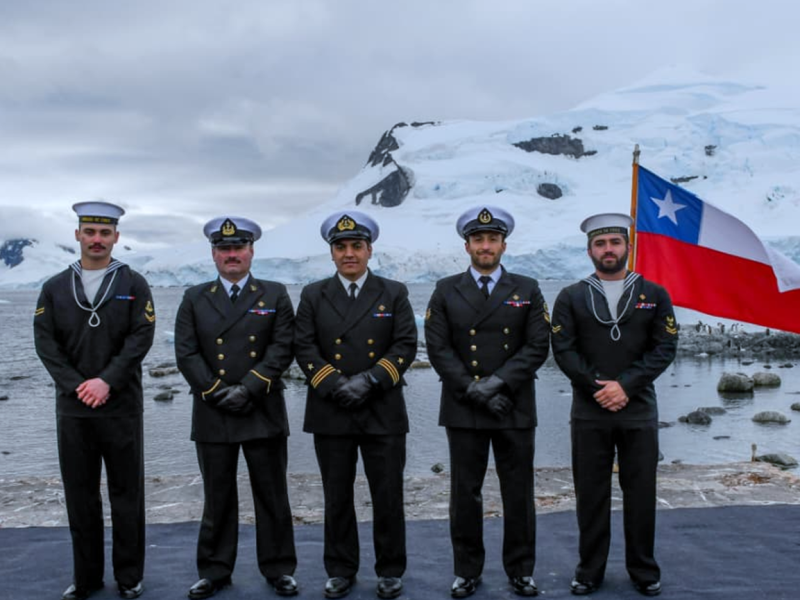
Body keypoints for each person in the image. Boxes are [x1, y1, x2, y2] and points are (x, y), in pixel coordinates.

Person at [424, 206, 550, 598]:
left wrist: (497, 384)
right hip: (464, 408)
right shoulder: (446, 289)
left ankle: (521, 570)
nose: (485, 245)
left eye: (492, 239)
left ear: (503, 245)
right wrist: (473, 389)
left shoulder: (527, 288)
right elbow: (438, 347)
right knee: (465, 494)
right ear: (467, 245)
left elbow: (537, 346)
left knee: (518, 493)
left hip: (514, 405)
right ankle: (467, 570)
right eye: (478, 239)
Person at [550, 213, 678, 597]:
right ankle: (589, 570)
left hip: (638, 409)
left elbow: (665, 348)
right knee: (591, 495)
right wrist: (598, 387)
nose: (608, 250)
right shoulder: (570, 296)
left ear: (627, 246)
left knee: (640, 493)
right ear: (590, 249)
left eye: (615, 243)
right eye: (600, 244)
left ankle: (643, 570)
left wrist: (626, 385)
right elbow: (564, 350)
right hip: (589, 412)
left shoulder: (655, 295)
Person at [34, 201, 156, 600]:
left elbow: (141, 338)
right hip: (73, 409)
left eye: (105, 233)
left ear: (116, 237)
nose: (97, 240)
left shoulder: (134, 283)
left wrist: (106, 381)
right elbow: (46, 344)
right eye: (90, 232)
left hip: (120, 405)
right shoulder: (53, 287)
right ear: (78, 235)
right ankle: (86, 578)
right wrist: (76, 385)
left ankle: (129, 577)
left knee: (127, 494)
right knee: (80, 495)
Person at [294, 211, 417, 600]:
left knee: (388, 494)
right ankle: (341, 569)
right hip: (332, 410)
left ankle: (390, 570)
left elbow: (405, 345)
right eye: (341, 247)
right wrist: (333, 383)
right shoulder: (314, 294)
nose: (349, 254)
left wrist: (370, 379)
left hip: (381, 408)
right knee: (336, 495)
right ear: (332, 253)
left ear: (369, 250)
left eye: (356, 247)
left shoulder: (393, 292)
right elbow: (304, 347)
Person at [174, 216, 298, 599]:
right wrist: (214, 390)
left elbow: (282, 347)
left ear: (251, 251)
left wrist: (248, 388)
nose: (232, 255)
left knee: (272, 495)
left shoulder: (275, 294)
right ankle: (214, 571)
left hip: (261, 408)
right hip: (213, 411)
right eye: (224, 249)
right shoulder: (194, 297)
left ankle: (279, 569)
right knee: (217, 497)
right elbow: (186, 351)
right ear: (213, 254)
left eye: (238, 248)